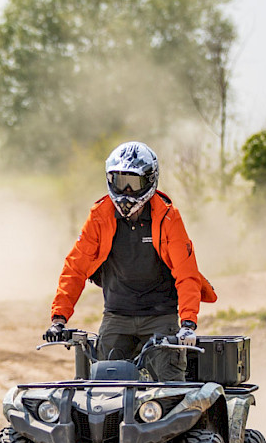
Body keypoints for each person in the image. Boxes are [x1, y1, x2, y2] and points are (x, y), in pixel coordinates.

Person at [42, 141, 217, 381]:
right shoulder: (99, 215)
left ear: (149, 180)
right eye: (119, 181)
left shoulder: (167, 216)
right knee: (102, 388)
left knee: (171, 388)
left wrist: (188, 324)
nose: (125, 191)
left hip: (160, 316)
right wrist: (59, 319)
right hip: (117, 315)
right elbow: (75, 267)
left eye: (132, 183)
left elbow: (186, 273)